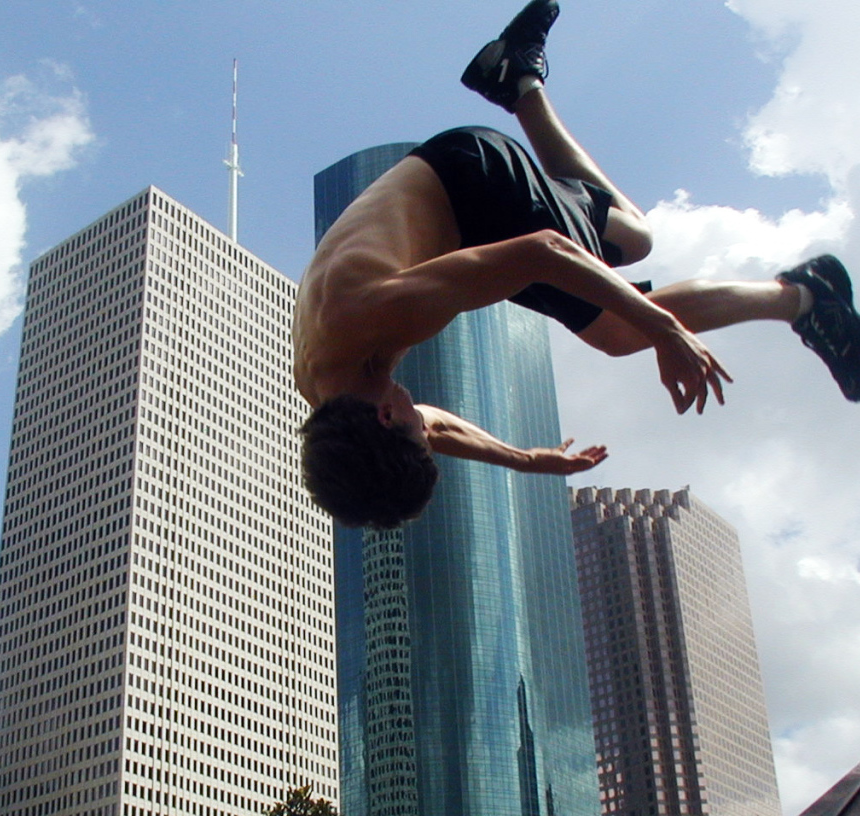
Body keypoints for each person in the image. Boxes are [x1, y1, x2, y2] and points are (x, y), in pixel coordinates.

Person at [292, 0, 860, 530]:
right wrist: (524, 460)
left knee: (618, 330)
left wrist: (665, 332)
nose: (427, 424)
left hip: (476, 184)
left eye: (417, 433)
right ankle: (518, 79)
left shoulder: (371, 317)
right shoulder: (332, 391)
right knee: (632, 239)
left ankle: (805, 296)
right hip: (460, 204)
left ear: (388, 420)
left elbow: (545, 251)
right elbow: (435, 426)